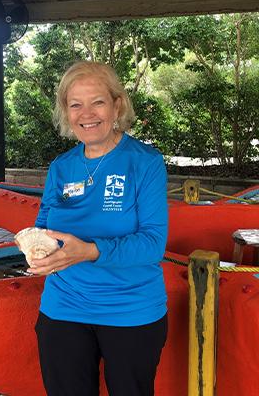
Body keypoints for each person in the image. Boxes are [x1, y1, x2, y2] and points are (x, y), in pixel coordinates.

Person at [28, 61, 168, 396]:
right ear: (66, 111)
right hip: (63, 308)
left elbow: (152, 243)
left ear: (117, 104)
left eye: (98, 102)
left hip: (130, 310)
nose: (86, 114)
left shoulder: (145, 162)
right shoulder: (61, 168)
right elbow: (43, 227)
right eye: (76, 104)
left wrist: (90, 251)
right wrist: (37, 251)